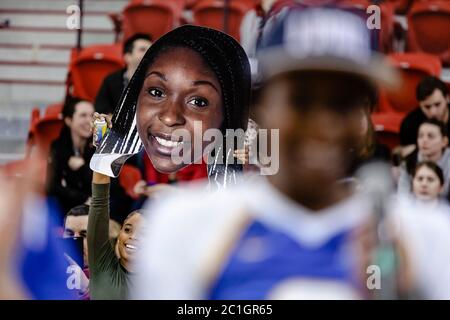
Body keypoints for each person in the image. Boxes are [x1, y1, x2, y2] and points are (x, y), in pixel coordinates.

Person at [133, 8, 450, 300]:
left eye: (344, 103)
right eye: (301, 100)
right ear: (261, 106)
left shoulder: (426, 235)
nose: (324, 124)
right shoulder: (186, 224)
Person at [90, 25, 251, 189]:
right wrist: (105, 152)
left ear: (228, 112)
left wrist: (246, 174)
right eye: (156, 92)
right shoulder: (150, 145)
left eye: (198, 102)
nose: (169, 117)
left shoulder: (234, 152)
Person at [88, 165, 144, 299]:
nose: (133, 236)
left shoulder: (162, 282)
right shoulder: (102, 265)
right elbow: (99, 202)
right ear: (119, 236)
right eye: (127, 230)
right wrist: (104, 154)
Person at [46, 96, 95, 216]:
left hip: (97, 210)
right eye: (83, 115)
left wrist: (83, 168)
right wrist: (83, 199)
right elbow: (52, 186)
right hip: (69, 210)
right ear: (69, 120)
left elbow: (107, 184)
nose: (89, 121)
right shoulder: (58, 147)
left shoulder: (99, 146)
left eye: (92, 115)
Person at [95, 33, 152, 115]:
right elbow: (102, 111)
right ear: (127, 57)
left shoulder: (158, 81)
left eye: (151, 49)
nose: (149, 53)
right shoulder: (111, 81)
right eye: (142, 49)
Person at [399, 76, 450, 157]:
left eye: (437, 104)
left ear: (447, 98)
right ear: (419, 104)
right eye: (427, 107)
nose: (433, 112)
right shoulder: (410, 125)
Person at [397, 119, 450, 197]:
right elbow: (402, 197)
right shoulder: (409, 162)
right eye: (420, 136)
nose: (424, 140)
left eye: (430, 136)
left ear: (444, 141)